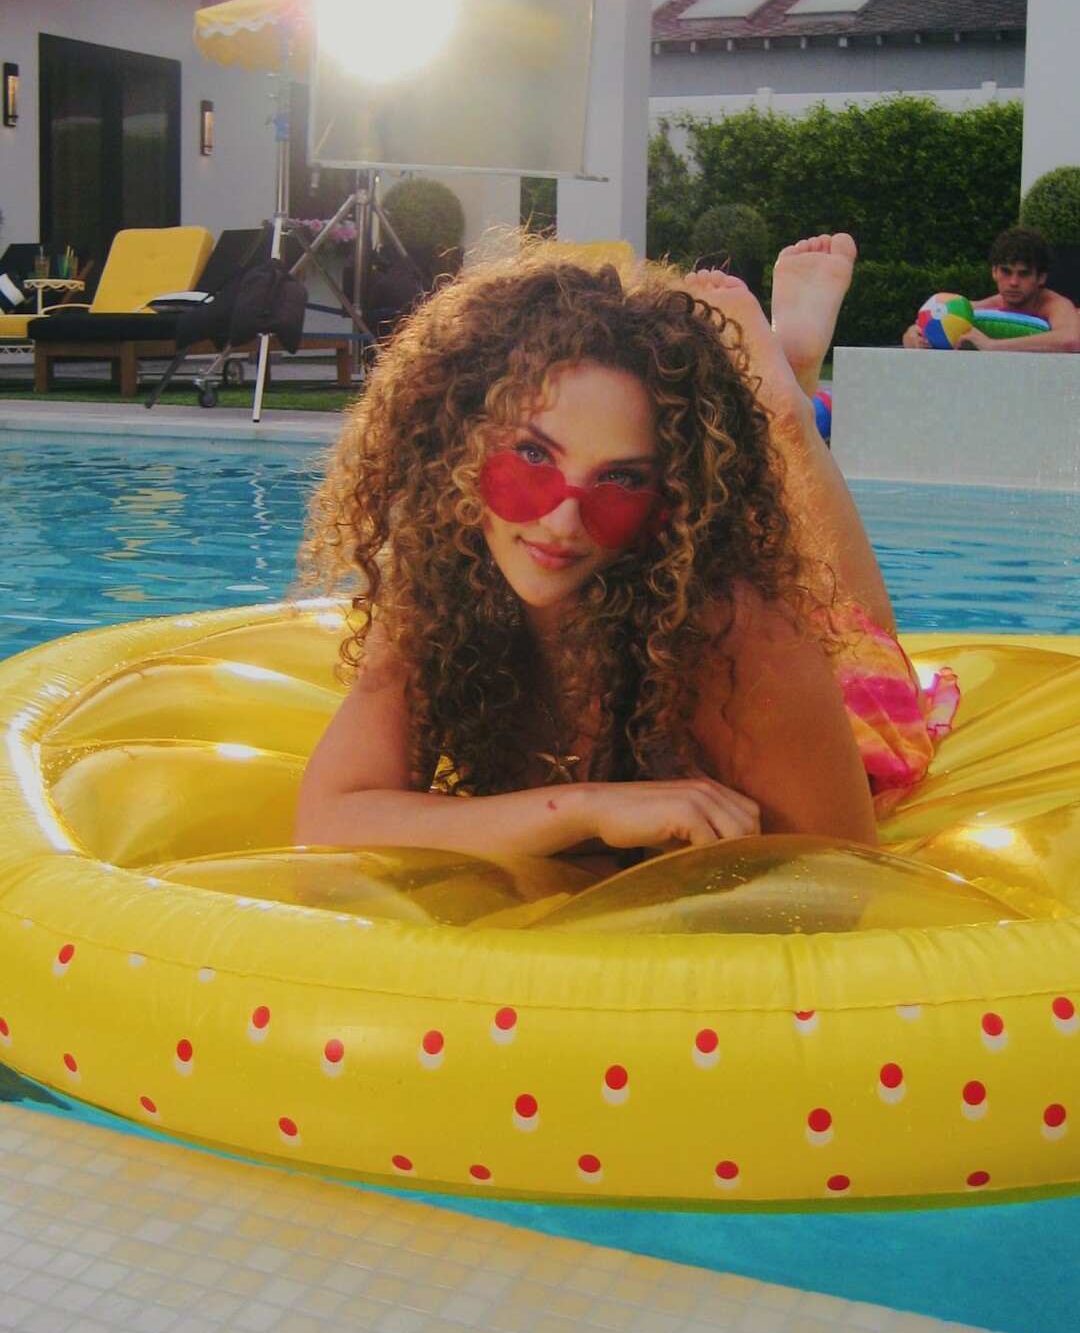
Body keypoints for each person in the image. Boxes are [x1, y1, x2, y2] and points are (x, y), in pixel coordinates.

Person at [296, 236, 956, 865]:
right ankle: (787, 385)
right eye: (532, 457)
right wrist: (583, 808)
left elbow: (844, 877)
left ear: (672, 497)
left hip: (838, 705)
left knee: (862, 644)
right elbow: (328, 822)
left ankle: (789, 406)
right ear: (456, 444)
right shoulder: (441, 588)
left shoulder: (743, 645)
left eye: (621, 480)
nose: (562, 521)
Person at [902, 227, 1080, 354]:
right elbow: (922, 325)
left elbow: (1072, 340)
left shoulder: (1055, 304)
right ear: (994, 271)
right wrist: (913, 336)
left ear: (1041, 278)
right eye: (1006, 271)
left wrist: (992, 345)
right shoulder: (983, 307)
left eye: (1024, 274)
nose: (1013, 282)